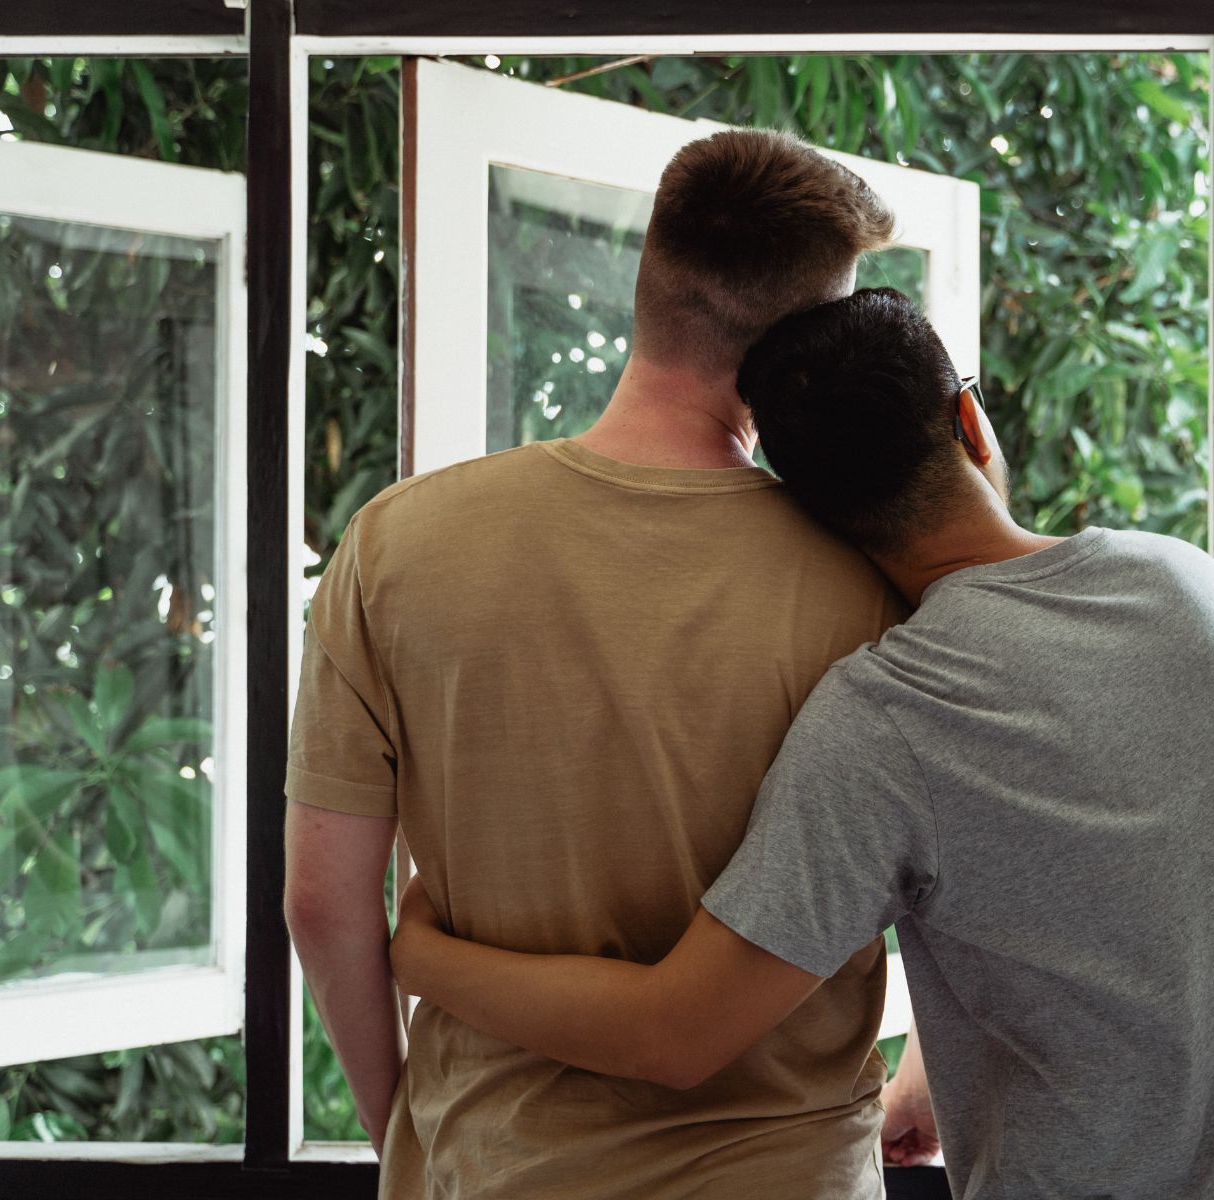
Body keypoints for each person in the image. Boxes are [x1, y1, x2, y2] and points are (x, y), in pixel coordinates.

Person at [388, 288, 1214, 1200]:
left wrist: (426, 957)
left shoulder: (888, 723)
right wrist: (938, 1067)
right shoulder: (1191, 592)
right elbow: (1147, 887)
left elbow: (673, 1033)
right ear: (970, 421)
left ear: (810, 520)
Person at [285, 134, 908, 1199]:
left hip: (492, 1164)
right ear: (804, 347)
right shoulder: (869, 582)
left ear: (650, 283)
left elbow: (322, 901)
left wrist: (414, 1129)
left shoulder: (396, 545)